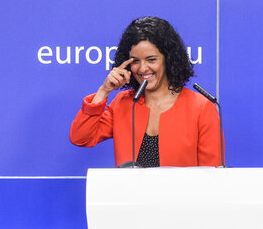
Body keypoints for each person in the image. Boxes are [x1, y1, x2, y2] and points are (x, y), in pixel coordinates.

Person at [69, 16, 222, 167]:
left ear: (168, 59)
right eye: (135, 61)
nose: (142, 69)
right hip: (129, 193)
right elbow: (81, 138)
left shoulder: (201, 108)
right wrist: (104, 91)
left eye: (151, 60)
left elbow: (212, 176)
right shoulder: (123, 103)